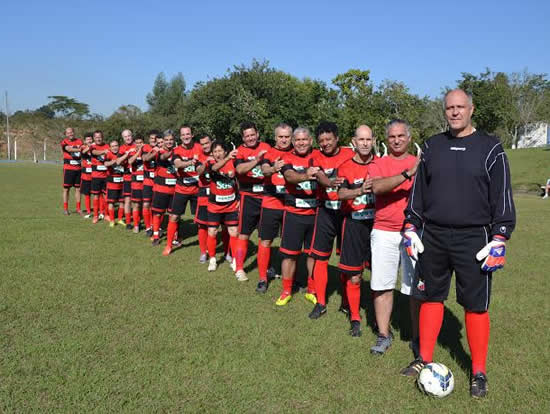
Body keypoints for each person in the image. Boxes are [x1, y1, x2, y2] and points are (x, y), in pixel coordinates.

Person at [399, 89, 515, 399]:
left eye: (460, 107)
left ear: (471, 109)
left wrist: (500, 237)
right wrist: (411, 226)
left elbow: (502, 197)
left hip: (474, 239)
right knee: (430, 296)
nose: (454, 112)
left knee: (476, 305)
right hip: (433, 236)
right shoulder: (432, 147)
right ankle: (423, 359)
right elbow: (418, 195)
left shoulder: (491, 148)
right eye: (449, 107)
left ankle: (478, 372)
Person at [368, 119, 421, 355]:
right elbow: (378, 188)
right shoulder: (380, 163)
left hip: (414, 232)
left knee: (414, 287)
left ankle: (418, 336)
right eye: (392, 136)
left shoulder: (420, 162)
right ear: (386, 139)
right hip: (384, 231)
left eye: (401, 136)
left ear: (409, 138)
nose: (397, 140)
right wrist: (408, 174)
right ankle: (383, 334)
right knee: (382, 284)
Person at [307, 121, 354, 318]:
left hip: (346, 213)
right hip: (325, 212)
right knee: (320, 258)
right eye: (321, 141)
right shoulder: (315, 156)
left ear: (337, 138)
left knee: (346, 261)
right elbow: (320, 177)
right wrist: (330, 183)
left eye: (328, 139)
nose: (325, 143)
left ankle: (346, 301)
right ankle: (321, 302)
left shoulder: (350, 154)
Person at [337, 125, 376, 337]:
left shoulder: (381, 164)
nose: (364, 143)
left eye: (368, 139)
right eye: (361, 139)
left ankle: (378, 317)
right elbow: (340, 193)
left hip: (377, 226)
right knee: (354, 275)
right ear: (354, 141)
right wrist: (360, 190)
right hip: (353, 224)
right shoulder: (345, 167)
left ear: (373, 141)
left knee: (377, 274)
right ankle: (355, 317)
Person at [275, 127, 320, 306]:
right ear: (293, 142)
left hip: (316, 214)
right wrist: (306, 175)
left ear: (311, 141)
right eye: (298, 140)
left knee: (312, 254)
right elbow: (289, 176)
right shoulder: (287, 157)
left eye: (305, 139)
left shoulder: (319, 156)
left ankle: (312, 288)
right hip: (293, 213)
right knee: (289, 255)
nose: (301, 143)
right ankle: (286, 290)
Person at [256, 123, 293, 293]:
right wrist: (273, 168)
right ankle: (263, 278)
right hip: (271, 202)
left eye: (287, 136)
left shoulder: (297, 153)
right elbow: (264, 170)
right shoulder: (269, 153)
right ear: (275, 137)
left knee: (291, 244)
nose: (284, 140)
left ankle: (292, 279)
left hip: (291, 204)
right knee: (266, 240)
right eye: (281, 137)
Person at [233, 122, 271, 280]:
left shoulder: (267, 147)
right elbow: (239, 170)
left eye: (252, 134)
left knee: (265, 236)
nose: (250, 138)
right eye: (247, 135)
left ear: (257, 134)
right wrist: (256, 160)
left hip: (266, 197)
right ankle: (240, 268)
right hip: (248, 196)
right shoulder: (239, 151)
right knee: (244, 234)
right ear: (243, 138)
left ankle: (266, 266)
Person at [162, 125, 202, 256]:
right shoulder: (177, 150)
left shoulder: (199, 148)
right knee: (174, 217)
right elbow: (178, 164)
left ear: (192, 135)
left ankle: (204, 247)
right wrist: (191, 162)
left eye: (188, 134)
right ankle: (168, 245)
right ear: (180, 137)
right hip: (181, 189)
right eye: (183, 134)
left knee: (201, 220)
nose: (186, 136)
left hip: (197, 190)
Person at [205, 142, 240, 273]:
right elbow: (213, 169)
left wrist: (239, 198)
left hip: (231, 205)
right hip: (214, 206)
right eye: (215, 152)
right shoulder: (210, 163)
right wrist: (227, 159)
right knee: (212, 232)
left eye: (220, 151)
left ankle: (235, 260)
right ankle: (213, 260)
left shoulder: (234, 163)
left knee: (233, 232)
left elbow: (239, 182)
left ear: (225, 151)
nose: (218, 154)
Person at [143, 130, 177, 246]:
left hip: (175, 190)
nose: (169, 142)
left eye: (171, 140)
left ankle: (174, 237)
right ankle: (156, 235)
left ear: (174, 140)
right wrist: (154, 150)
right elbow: (149, 159)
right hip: (160, 189)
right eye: (166, 140)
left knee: (174, 215)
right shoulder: (159, 152)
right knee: (157, 213)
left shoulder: (179, 152)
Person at [104, 140, 130, 227]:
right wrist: (114, 161)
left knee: (121, 201)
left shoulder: (122, 154)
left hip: (122, 182)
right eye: (113, 146)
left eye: (116, 145)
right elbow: (106, 163)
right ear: (110, 147)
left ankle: (119, 219)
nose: (115, 147)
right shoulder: (108, 154)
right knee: (111, 202)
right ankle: (112, 220)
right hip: (112, 183)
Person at [141, 131, 161, 236]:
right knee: (146, 204)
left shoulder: (162, 148)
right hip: (148, 181)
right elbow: (145, 158)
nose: (153, 140)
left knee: (157, 206)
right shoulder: (145, 148)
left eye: (155, 138)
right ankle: (148, 227)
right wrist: (154, 151)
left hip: (159, 182)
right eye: (151, 138)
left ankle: (156, 226)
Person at [60, 127, 83, 215]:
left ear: (74, 132)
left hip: (78, 168)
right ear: (66, 134)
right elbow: (69, 149)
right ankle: (66, 209)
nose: (70, 134)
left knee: (78, 189)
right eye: (68, 133)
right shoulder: (64, 142)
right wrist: (80, 149)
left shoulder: (80, 141)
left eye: (71, 132)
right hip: (68, 169)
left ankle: (78, 208)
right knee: (66, 189)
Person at [90, 130, 110, 223]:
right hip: (96, 176)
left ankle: (106, 214)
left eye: (100, 137)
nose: (98, 138)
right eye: (97, 137)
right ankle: (95, 216)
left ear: (102, 137)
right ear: (94, 138)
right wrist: (104, 151)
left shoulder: (107, 146)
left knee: (106, 196)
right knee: (96, 196)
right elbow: (94, 152)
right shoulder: (92, 146)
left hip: (106, 176)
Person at [128, 135, 145, 233]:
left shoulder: (147, 152)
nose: (139, 144)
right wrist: (138, 151)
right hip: (136, 184)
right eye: (137, 143)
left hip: (147, 183)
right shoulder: (132, 152)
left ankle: (149, 225)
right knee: (136, 205)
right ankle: (136, 225)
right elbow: (130, 161)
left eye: (141, 142)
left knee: (147, 204)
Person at [119, 129, 135, 229]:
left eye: (129, 135)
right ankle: (128, 222)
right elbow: (119, 162)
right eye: (125, 137)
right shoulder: (122, 148)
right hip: (127, 177)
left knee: (140, 201)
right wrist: (127, 154)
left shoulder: (137, 145)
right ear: (123, 138)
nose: (128, 138)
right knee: (128, 200)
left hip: (139, 178)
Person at [79, 133, 94, 218]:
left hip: (95, 175)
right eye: (88, 139)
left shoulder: (96, 148)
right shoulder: (83, 147)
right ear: (85, 141)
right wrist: (90, 147)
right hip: (86, 176)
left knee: (98, 194)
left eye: (90, 139)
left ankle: (100, 211)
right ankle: (88, 211)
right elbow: (83, 152)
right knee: (87, 194)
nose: (89, 141)